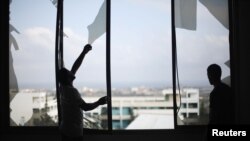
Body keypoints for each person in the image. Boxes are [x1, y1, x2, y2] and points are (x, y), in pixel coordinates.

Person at [59, 44, 107, 141]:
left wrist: (84, 52)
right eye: (69, 72)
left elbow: (75, 67)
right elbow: (85, 107)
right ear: (67, 78)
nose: (71, 72)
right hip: (73, 133)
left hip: (65, 129)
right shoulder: (72, 91)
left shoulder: (62, 87)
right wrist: (99, 102)